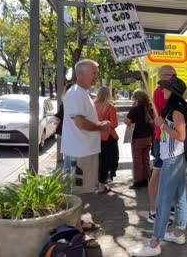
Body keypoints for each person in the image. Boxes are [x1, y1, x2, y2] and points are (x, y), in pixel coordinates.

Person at [131, 76, 187, 257]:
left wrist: (163, 125)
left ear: (173, 92)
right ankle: (179, 233)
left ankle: (154, 242)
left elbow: (180, 136)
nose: (162, 91)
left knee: (163, 201)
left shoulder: (177, 111)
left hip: (173, 159)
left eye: (165, 88)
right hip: (175, 158)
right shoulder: (176, 108)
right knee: (179, 196)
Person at [61, 59, 111, 247]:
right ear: (80, 74)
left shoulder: (81, 93)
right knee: (76, 192)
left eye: (96, 73)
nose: (96, 76)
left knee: (79, 192)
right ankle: (77, 233)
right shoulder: (75, 94)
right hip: (78, 152)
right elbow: (80, 122)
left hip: (83, 151)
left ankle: (78, 223)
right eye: (94, 73)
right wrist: (100, 126)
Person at [148, 65, 175, 224]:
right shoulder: (161, 92)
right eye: (173, 75)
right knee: (158, 174)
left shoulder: (166, 91)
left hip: (168, 138)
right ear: (164, 75)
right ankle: (154, 211)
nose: (175, 77)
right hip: (163, 138)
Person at [125, 90, 154, 189]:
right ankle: (146, 179)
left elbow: (126, 121)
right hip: (148, 138)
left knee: (137, 161)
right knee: (146, 159)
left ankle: (138, 181)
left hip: (137, 138)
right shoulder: (149, 109)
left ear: (136, 99)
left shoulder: (135, 109)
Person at [95, 86, 119, 193]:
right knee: (110, 160)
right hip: (108, 137)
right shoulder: (110, 107)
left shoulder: (92, 106)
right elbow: (114, 124)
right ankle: (102, 185)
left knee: (99, 160)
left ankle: (98, 183)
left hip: (95, 137)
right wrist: (107, 122)